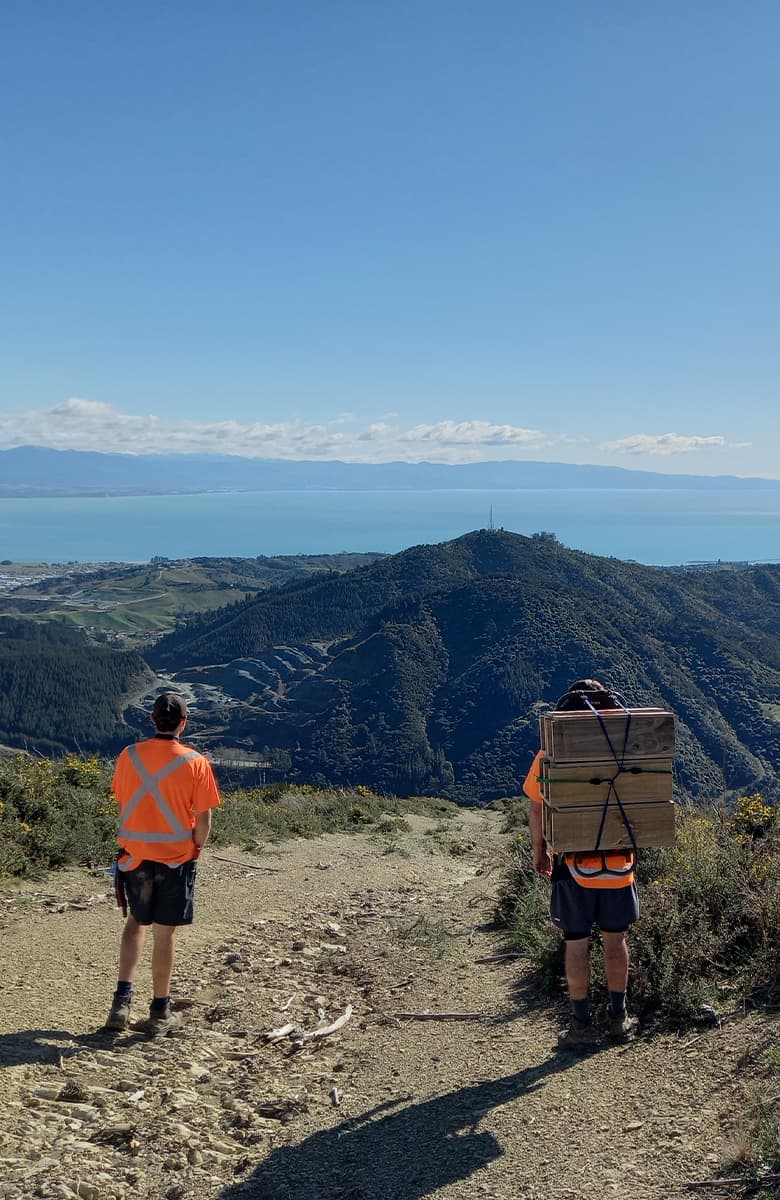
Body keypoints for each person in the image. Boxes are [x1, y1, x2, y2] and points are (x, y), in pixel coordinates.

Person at [524, 678, 640, 1049]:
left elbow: (537, 807)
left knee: (575, 942)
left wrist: (539, 852)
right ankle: (619, 1019)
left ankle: (581, 1027)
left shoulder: (551, 753)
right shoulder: (628, 750)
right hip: (619, 863)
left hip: (573, 866)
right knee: (615, 939)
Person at [105, 692, 221, 1036]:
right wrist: (197, 848)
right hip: (176, 859)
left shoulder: (129, 756)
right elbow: (204, 819)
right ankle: (159, 1010)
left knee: (134, 923)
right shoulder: (195, 762)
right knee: (164, 933)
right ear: (183, 723)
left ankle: (121, 1003)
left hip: (134, 855)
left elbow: (122, 798)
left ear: (153, 719)